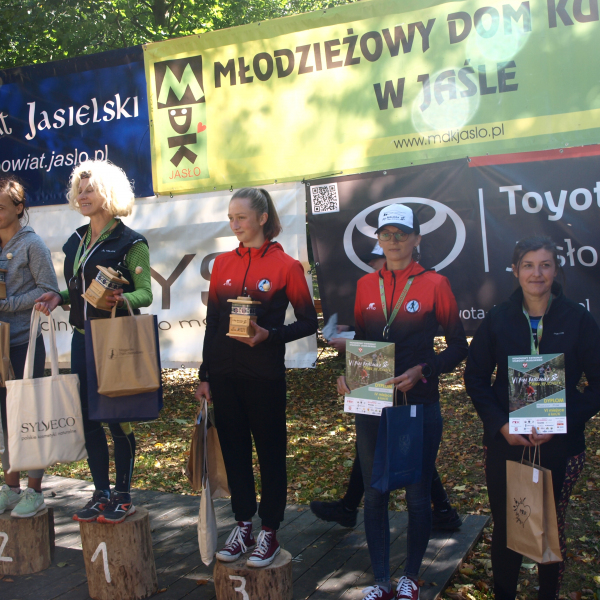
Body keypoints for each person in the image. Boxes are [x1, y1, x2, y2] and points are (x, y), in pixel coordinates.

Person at [337, 203, 468, 600]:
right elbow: (363, 342)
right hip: (372, 401)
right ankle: (381, 580)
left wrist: (424, 370)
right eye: (386, 233)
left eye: (401, 233)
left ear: (416, 239)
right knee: (375, 492)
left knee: (416, 493)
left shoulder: (435, 284)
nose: (393, 240)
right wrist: (346, 374)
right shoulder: (365, 285)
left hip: (418, 403)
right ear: (378, 239)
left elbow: (458, 345)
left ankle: (410, 577)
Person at [464, 235, 600, 600]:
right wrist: (500, 425)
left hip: (561, 445)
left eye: (545, 265)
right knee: (509, 526)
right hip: (507, 443)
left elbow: (597, 385)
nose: (536, 273)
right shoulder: (498, 319)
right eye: (528, 265)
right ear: (515, 270)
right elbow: (475, 378)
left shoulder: (578, 319)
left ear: (555, 270)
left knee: (549, 528)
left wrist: (561, 422)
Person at [195, 187, 318, 568]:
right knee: (234, 452)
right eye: (231, 218)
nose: (235, 225)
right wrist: (205, 374)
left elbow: (308, 322)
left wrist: (270, 335)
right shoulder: (222, 264)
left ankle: (270, 530)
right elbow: (213, 322)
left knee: (270, 453)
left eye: (241, 218)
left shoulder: (287, 266)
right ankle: (243, 525)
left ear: (262, 218)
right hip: (224, 376)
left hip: (264, 376)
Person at [35, 160, 153, 524]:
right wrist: (58, 297)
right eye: (79, 191)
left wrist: (123, 299)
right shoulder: (75, 240)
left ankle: (123, 495)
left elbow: (146, 293)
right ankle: (101, 493)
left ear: (109, 193)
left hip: (113, 344)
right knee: (88, 418)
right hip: (81, 340)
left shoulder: (131, 242)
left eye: (91, 190)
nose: (83, 196)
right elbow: (79, 290)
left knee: (117, 420)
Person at [0, 177, 59, 518]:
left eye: (1, 207)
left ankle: (34, 491)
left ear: (19, 208)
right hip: (0, 346)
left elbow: (48, 289)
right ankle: (10, 488)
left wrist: (7, 305)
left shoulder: (32, 244)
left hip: (25, 342)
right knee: (5, 419)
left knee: (29, 418)